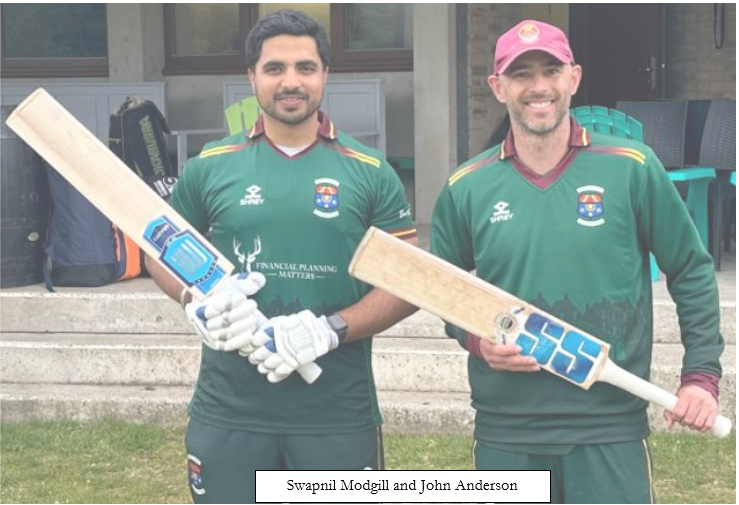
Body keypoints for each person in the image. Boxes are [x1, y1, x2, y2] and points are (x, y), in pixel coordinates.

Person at [429, 19, 724, 504]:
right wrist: (477, 341)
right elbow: (442, 289)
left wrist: (700, 376)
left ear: (574, 78)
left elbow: (690, 268)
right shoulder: (467, 186)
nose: (538, 87)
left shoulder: (631, 166)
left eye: (551, 70)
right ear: (497, 87)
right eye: (521, 74)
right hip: (509, 430)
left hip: (609, 423)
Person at [146, 10, 417, 504]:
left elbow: (409, 281)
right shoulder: (210, 167)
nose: (290, 82)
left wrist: (331, 329)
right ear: (251, 76)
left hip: (336, 410)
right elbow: (159, 253)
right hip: (229, 407)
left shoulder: (370, 171)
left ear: (325, 75)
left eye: (305, 67)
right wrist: (195, 298)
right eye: (274, 68)